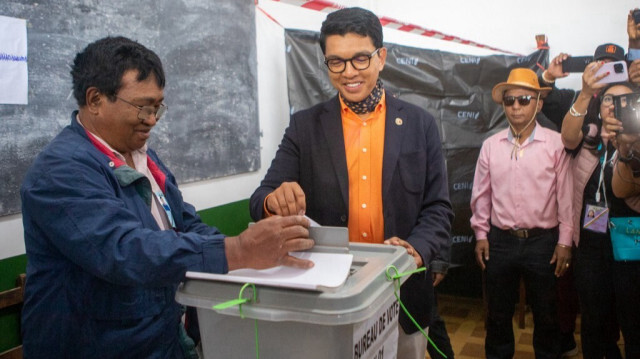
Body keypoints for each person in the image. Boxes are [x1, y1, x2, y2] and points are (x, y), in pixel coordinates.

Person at [20, 36, 315, 359]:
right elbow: (125, 250)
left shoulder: (142, 156)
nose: (152, 119)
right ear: (95, 100)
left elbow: (184, 224)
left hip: (161, 336)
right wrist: (238, 250)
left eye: (158, 106)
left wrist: (250, 256)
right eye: (142, 107)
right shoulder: (60, 172)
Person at [249, 7, 453, 359]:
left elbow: (438, 207)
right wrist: (274, 200)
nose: (349, 73)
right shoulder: (305, 126)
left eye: (360, 59)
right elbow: (260, 198)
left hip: (403, 294)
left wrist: (416, 250)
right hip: (329, 295)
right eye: (336, 62)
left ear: (381, 57)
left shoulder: (420, 124)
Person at [470, 68, 574, 359]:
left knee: (547, 316)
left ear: (539, 104)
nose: (516, 106)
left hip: (544, 244)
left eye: (524, 99)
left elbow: (566, 196)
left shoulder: (556, 144)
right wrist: (481, 234)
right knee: (497, 316)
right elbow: (481, 195)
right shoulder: (490, 146)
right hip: (500, 242)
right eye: (510, 100)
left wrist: (565, 241)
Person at [560, 64, 631, 358]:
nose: (614, 107)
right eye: (607, 100)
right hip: (590, 241)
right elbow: (566, 136)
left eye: (623, 101)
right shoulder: (587, 138)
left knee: (630, 314)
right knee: (592, 314)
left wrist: (628, 146)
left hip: (631, 242)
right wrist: (586, 92)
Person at [601, 94, 640, 359]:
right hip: (629, 246)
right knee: (633, 325)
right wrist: (626, 150)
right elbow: (620, 188)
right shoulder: (620, 146)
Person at [539, 43, 626, 128]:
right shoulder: (572, 99)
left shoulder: (629, 101)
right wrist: (549, 76)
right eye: (602, 64)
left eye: (614, 67)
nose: (607, 71)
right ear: (591, 66)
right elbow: (541, 100)